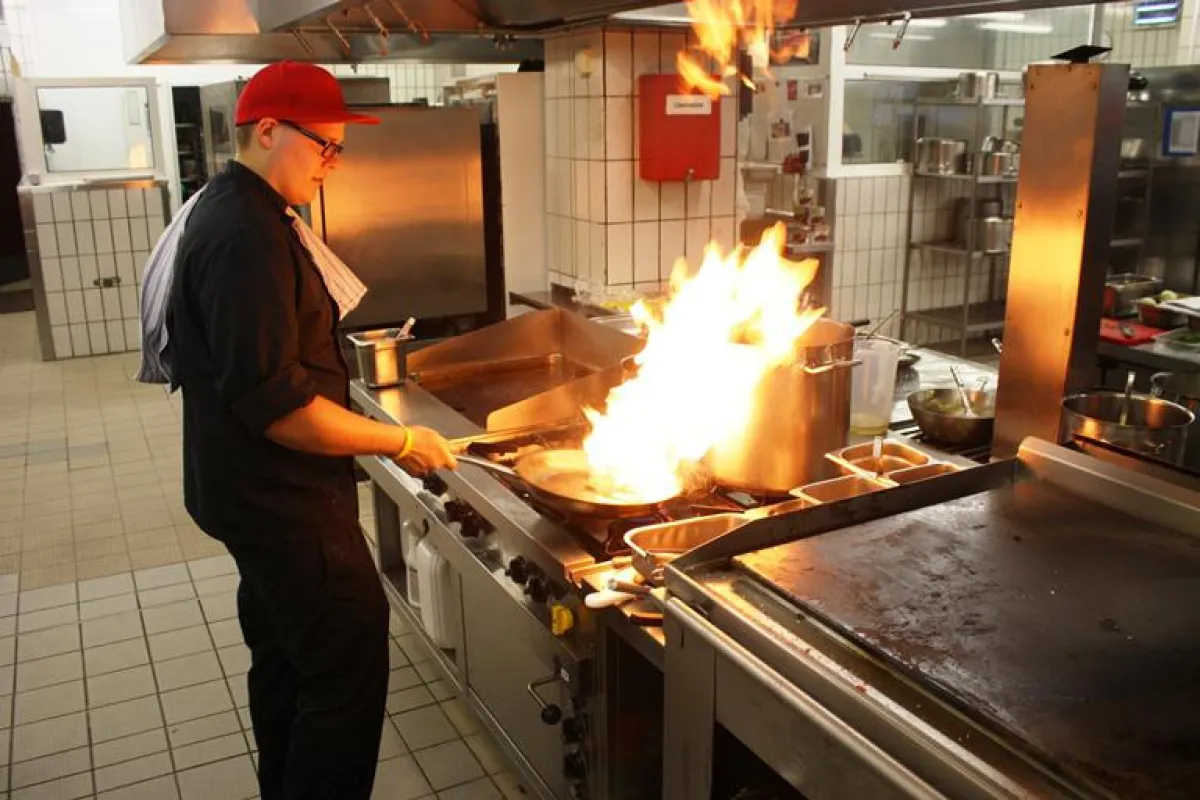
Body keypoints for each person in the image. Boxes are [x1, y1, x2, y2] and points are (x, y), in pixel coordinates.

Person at [163, 62, 457, 799]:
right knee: (343, 678)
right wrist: (400, 441)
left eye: (337, 150)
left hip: (251, 500)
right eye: (324, 146)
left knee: (287, 664)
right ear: (267, 130)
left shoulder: (242, 211)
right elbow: (283, 411)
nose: (332, 164)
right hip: (283, 506)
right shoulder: (245, 236)